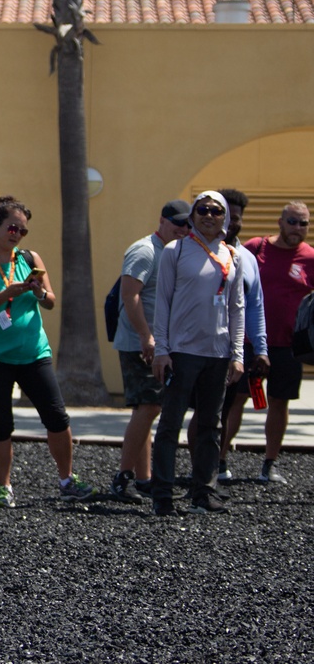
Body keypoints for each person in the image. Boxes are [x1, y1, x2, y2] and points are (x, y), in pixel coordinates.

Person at [0, 196, 96, 508]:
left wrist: (38, 291)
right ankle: (3, 487)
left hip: (34, 352)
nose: (16, 235)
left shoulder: (29, 258)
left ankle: (66, 479)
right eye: (11, 227)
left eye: (22, 231)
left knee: (57, 417)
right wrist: (7, 292)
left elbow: (50, 300)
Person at [151, 191, 244, 516]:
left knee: (209, 425)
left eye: (216, 211)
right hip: (181, 352)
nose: (208, 215)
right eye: (202, 209)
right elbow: (162, 303)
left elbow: (237, 307)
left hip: (218, 354)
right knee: (170, 424)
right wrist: (161, 350)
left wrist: (237, 354)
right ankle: (162, 495)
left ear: (225, 218)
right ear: (192, 215)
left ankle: (204, 491)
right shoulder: (176, 251)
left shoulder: (233, 255)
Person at [109, 200, 191, 503]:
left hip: (160, 344)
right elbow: (130, 296)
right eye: (178, 223)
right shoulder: (145, 250)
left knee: (147, 409)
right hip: (139, 343)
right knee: (149, 407)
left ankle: (143, 479)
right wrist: (147, 337)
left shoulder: (174, 252)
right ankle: (123, 477)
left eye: (187, 225)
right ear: (162, 221)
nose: (183, 229)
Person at [186, 189, 269, 482]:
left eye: (236, 215)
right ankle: (197, 472)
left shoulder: (246, 258)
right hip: (197, 348)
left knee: (225, 410)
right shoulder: (189, 251)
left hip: (234, 350)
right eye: (225, 212)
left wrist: (261, 348)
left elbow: (255, 305)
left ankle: (213, 467)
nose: (230, 220)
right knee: (202, 412)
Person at [243, 201, 314, 484]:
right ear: (280, 222)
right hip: (249, 342)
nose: (297, 228)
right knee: (235, 400)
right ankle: (219, 463)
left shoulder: (310, 257)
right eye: (292, 222)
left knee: (279, 403)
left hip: (288, 346)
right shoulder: (255, 248)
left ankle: (269, 465)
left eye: (304, 223)